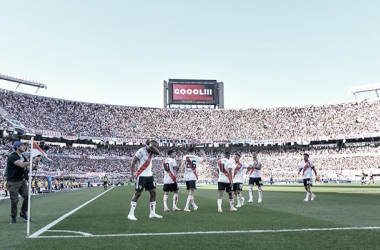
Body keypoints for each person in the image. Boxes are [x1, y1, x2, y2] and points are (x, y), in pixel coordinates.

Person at [128, 140, 162, 220]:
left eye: (155, 146)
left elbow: (158, 152)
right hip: (141, 175)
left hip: (149, 176)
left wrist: (151, 146)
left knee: (153, 193)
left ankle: (152, 213)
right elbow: (134, 161)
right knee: (138, 193)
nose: (155, 147)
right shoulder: (141, 151)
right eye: (154, 145)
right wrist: (132, 174)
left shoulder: (152, 152)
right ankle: (131, 214)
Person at [6, 141, 39, 224]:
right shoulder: (13, 156)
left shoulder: (23, 157)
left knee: (27, 196)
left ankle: (22, 213)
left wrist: (34, 167)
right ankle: (13, 216)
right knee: (14, 200)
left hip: (21, 181)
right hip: (13, 181)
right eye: (22, 145)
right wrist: (33, 160)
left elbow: (26, 169)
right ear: (17, 147)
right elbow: (21, 165)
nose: (24, 147)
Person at [180, 147, 206, 212]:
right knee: (191, 192)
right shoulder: (195, 157)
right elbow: (205, 160)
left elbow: (182, 165)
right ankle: (186, 207)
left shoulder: (185, 157)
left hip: (186, 176)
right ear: (194, 152)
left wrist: (181, 173)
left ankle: (194, 205)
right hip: (192, 176)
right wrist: (203, 153)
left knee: (191, 192)